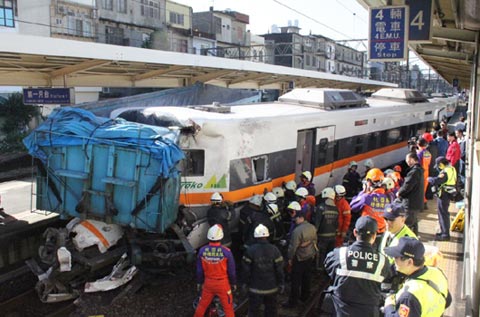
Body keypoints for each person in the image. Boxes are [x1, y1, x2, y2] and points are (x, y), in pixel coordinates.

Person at [322, 216, 390, 317]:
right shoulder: (383, 261)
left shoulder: (339, 254)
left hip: (340, 312)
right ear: (375, 235)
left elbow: (328, 268)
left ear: (355, 232)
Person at [383, 237, 451, 317]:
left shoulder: (409, 296)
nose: (394, 260)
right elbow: (448, 300)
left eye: (396, 257)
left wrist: (389, 306)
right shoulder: (438, 272)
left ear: (409, 262)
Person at [242, 224, 284, 317]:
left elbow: (246, 271)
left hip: (255, 288)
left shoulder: (250, 251)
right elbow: (279, 270)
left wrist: (245, 283)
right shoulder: (275, 250)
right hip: (271, 288)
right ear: (267, 235)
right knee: (271, 311)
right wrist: (281, 283)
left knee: (253, 311)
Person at [194, 224, 236, 317]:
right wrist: (233, 283)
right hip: (223, 284)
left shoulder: (202, 251)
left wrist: (199, 282)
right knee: (228, 308)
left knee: (201, 306)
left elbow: (199, 271)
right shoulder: (226, 252)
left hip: (208, 283)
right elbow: (232, 271)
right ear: (221, 236)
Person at [283, 209, 317, 308]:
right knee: (306, 278)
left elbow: (292, 247)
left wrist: (289, 258)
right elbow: (314, 240)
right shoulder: (312, 227)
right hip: (309, 256)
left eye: (296, 219)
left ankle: (293, 301)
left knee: (295, 281)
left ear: (301, 218)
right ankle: (305, 296)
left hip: (299, 258)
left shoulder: (297, 231)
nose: (295, 220)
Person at [350, 168, 389, 248]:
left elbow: (352, 206)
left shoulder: (366, 197)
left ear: (370, 183)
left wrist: (363, 192)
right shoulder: (386, 198)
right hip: (381, 232)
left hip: (367, 234)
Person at [428, 157, 457, 241]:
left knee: (443, 214)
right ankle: (443, 231)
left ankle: (445, 234)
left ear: (441, 164)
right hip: (448, 194)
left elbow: (438, 180)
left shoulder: (445, 172)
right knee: (444, 213)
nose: (438, 167)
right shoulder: (452, 168)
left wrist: (431, 179)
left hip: (444, 195)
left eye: (438, 166)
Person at [396, 152, 424, 235]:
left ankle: (406, 245)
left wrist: (399, 193)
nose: (406, 161)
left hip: (411, 203)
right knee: (414, 223)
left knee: (406, 226)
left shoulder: (413, 172)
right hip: (416, 202)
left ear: (412, 159)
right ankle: (415, 240)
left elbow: (407, 186)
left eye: (407, 159)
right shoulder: (419, 170)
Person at [314, 187, 338, 272]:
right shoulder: (336, 209)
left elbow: (317, 223)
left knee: (320, 255)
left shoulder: (321, 207)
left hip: (322, 237)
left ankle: (319, 271)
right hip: (332, 237)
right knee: (329, 254)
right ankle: (327, 270)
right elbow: (336, 224)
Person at [416, 138, 432, 209]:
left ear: (418, 144)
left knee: (419, 190)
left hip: (421, 172)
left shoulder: (419, 153)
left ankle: (421, 205)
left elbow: (418, 164)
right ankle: (424, 203)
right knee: (424, 189)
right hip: (426, 172)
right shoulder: (428, 153)